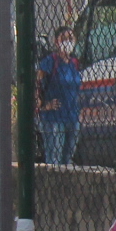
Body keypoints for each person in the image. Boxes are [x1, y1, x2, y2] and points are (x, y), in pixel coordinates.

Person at [35, 25, 84, 167]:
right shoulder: (51, 61)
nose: (68, 42)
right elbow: (36, 83)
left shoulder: (74, 63)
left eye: (71, 38)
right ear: (56, 42)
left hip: (72, 116)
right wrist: (44, 105)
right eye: (64, 38)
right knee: (54, 157)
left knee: (68, 158)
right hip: (54, 117)